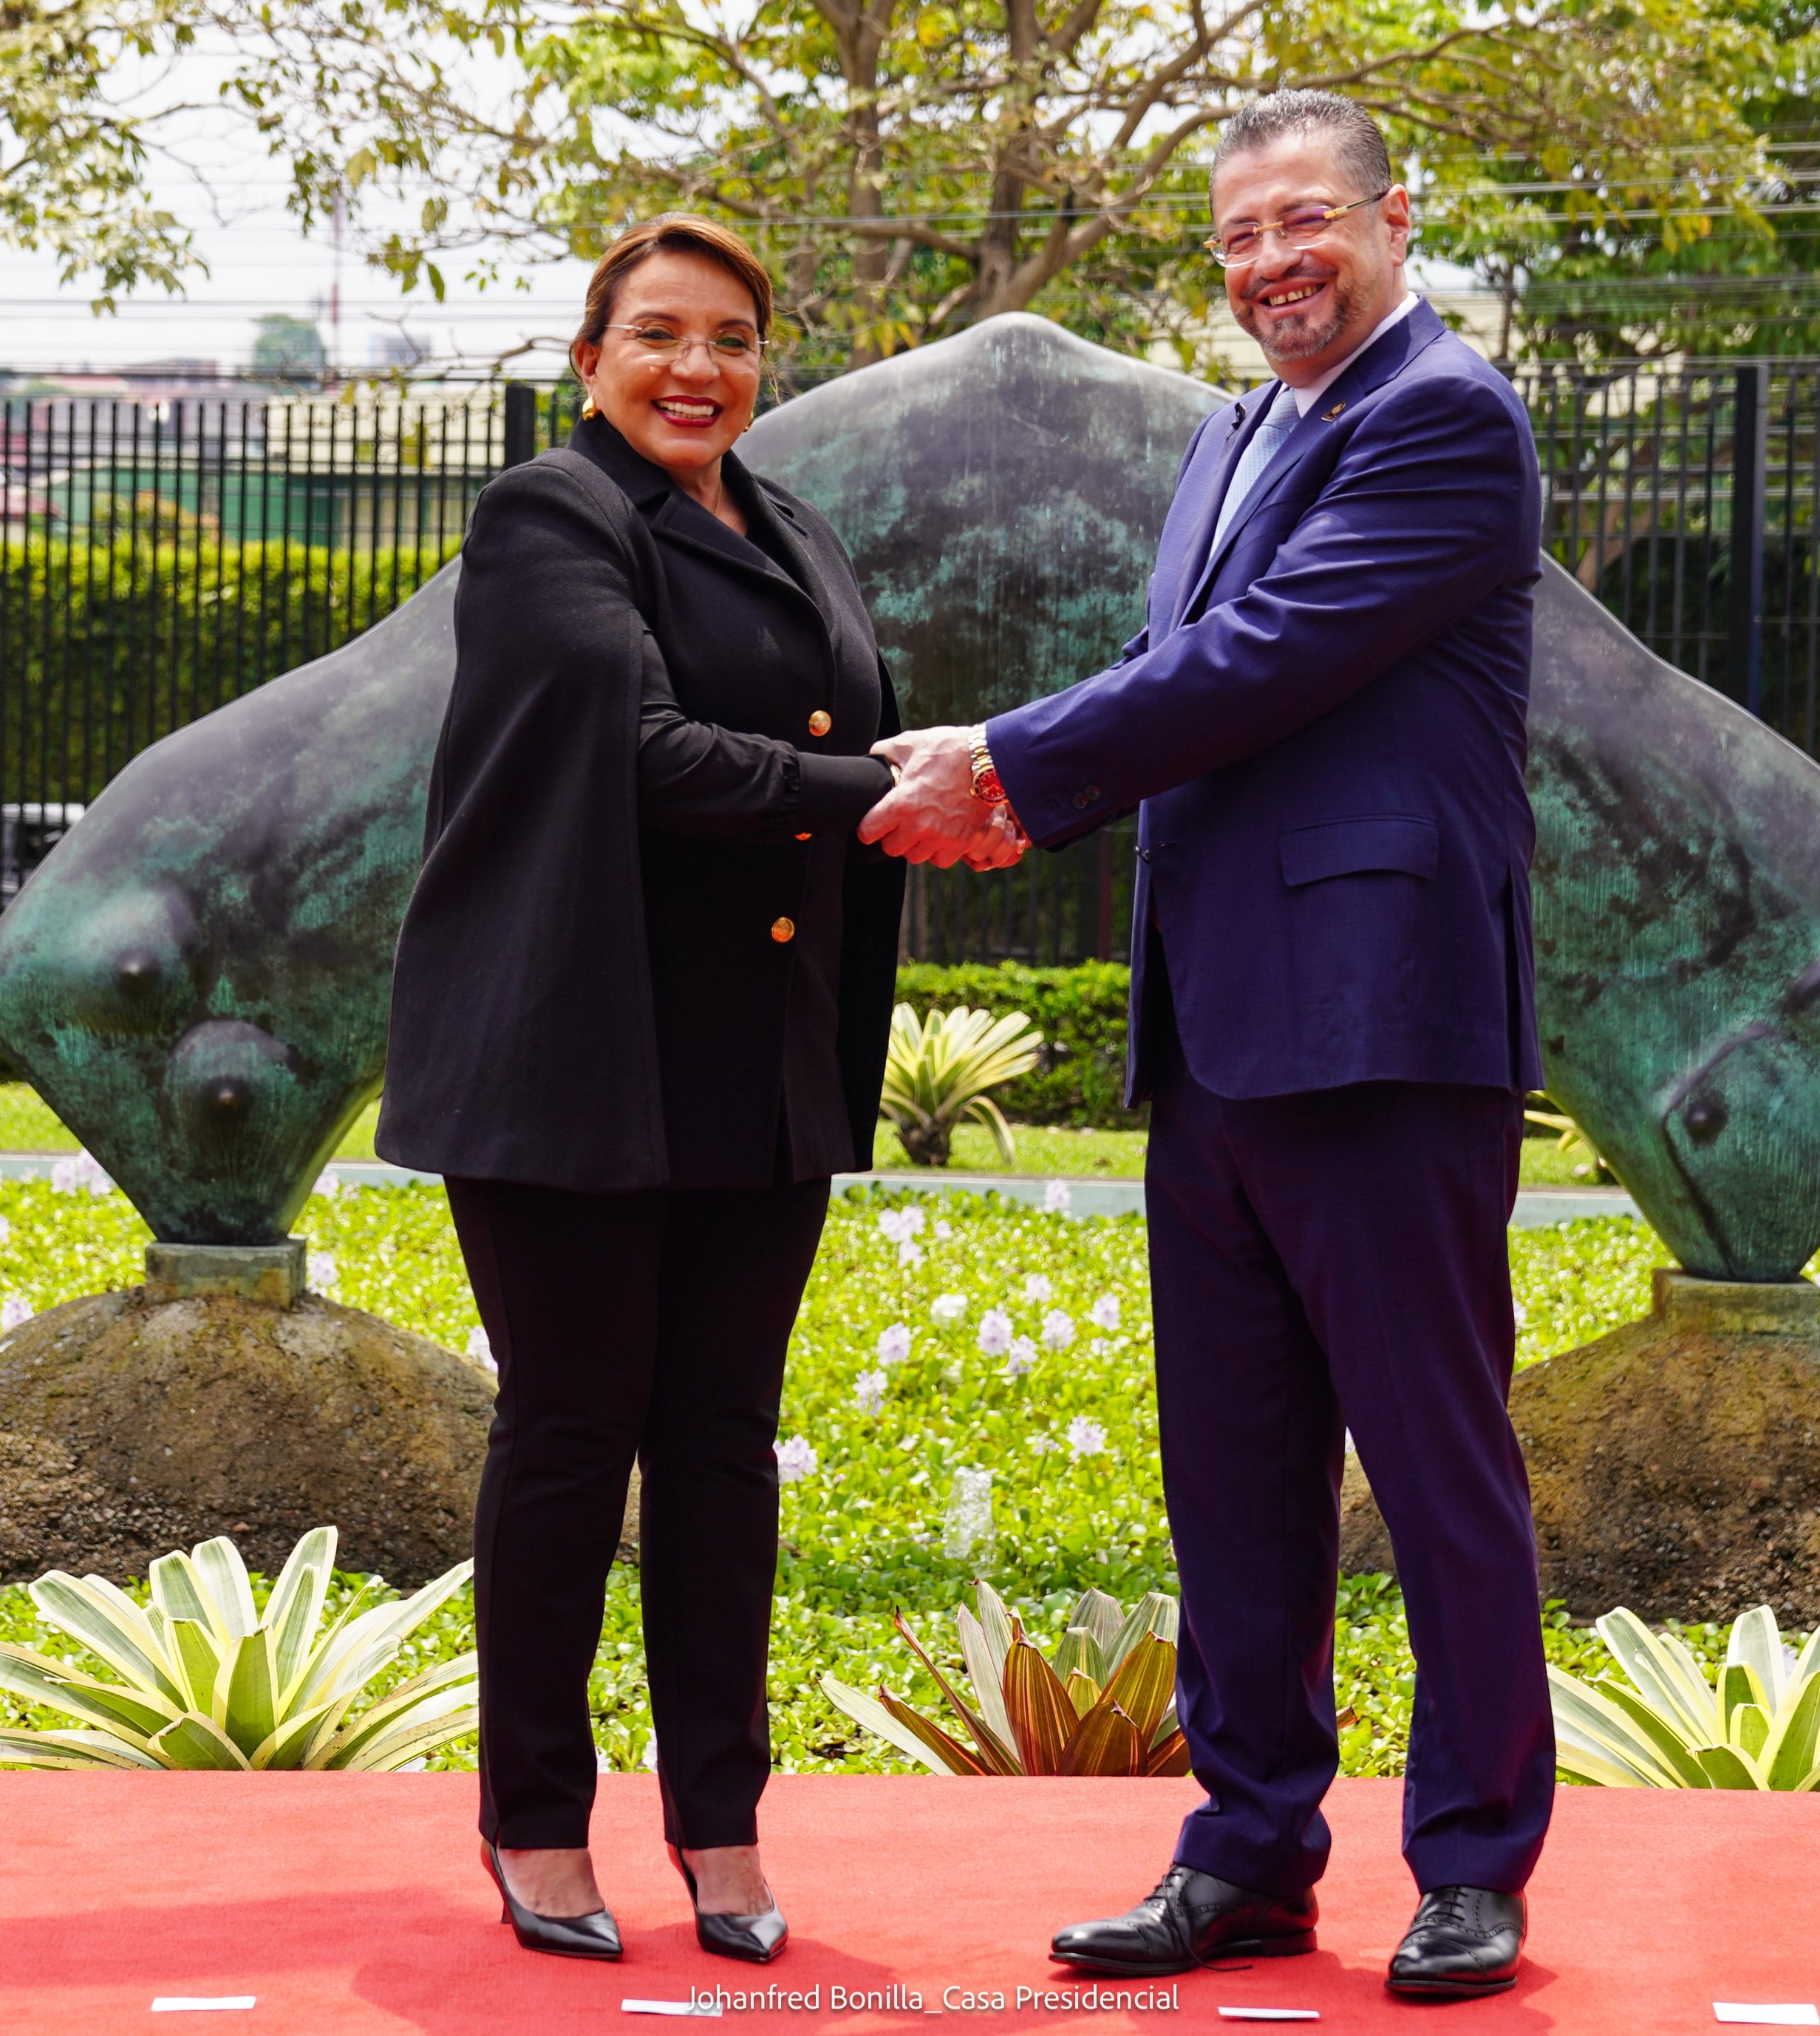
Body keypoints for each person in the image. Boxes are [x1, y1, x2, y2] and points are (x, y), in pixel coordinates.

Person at [860, 89, 1552, 2002]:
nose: (1268, 266)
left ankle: (1473, 1863)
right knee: (1231, 1481)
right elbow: (1195, 697)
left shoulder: (1444, 420)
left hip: (1386, 1032)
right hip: (1221, 1036)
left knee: (1433, 1471)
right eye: (1238, 239)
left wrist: (1006, 761)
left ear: (1393, 217)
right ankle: (1245, 1851)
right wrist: (1030, 762)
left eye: (1303, 222)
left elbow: (1256, 661)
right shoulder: (1236, 432)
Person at [378, 214, 918, 1967]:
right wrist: (883, 799)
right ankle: (535, 1815)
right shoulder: (549, 516)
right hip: (575, 1053)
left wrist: (929, 773)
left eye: (737, 337)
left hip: (755, 1064)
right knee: (570, 1433)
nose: (702, 368)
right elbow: (636, 744)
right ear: (594, 352)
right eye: (663, 334)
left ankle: (720, 1820)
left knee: (718, 1453)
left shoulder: (792, 522)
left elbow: (847, 727)